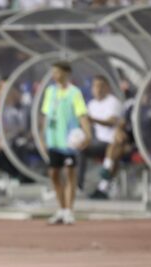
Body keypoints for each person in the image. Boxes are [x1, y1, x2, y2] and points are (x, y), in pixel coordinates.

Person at [40, 61, 92, 225]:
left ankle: (69, 210)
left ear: (66, 73)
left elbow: (81, 114)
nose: (55, 75)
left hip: (69, 141)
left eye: (57, 72)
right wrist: (42, 137)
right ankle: (61, 209)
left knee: (70, 173)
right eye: (53, 72)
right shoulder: (51, 91)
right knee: (54, 174)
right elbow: (46, 116)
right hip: (53, 140)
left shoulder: (74, 93)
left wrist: (88, 134)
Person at [78, 75, 123, 199]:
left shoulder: (113, 102)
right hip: (99, 143)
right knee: (81, 148)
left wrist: (93, 119)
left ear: (107, 87)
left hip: (114, 142)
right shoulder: (91, 104)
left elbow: (112, 122)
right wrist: (87, 137)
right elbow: (85, 122)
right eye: (95, 86)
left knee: (116, 145)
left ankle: (104, 181)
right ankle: (78, 186)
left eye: (100, 86)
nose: (97, 89)